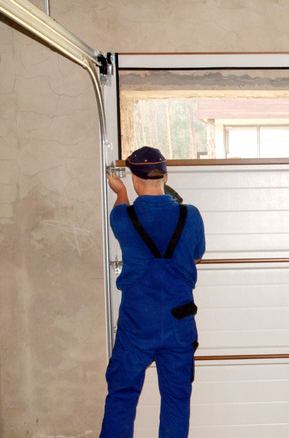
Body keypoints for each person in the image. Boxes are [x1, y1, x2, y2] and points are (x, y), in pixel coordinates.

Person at [101, 146, 206, 437]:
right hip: (178, 322)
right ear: (166, 175)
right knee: (176, 400)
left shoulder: (123, 219)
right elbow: (197, 253)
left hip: (137, 324)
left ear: (135, 180)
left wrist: (119, 190)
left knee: (121, 396)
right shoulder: (191, 215)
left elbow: (121, 211)